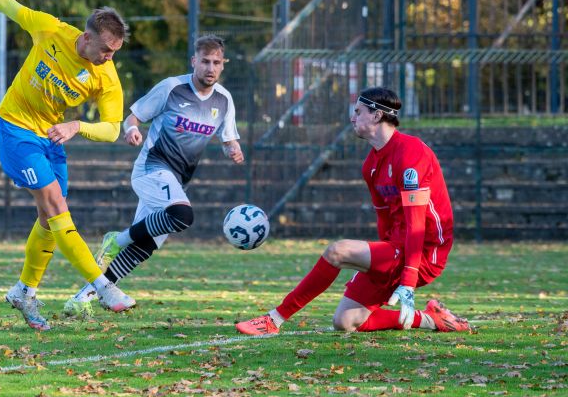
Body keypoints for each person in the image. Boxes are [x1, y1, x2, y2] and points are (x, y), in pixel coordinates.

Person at [0, 0, 136, 331]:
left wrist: (78, 126)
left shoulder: (106, 78)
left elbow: (112, 129)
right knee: (56, 206)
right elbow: (5, 1)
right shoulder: (50, 30)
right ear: (85, 38)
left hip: (51, 137)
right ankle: (102, 286)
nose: (108, 58)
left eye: (114, 52)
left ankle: (24, 291)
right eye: (104, 49)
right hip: (15, 127)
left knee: (48, 218)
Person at [236, 87, 471, 335]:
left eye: (358, 112)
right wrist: (383, 264)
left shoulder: (411, 153)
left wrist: (408, 280)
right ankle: (432, 320)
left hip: (424, 251)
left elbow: (417, 225)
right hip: (397, 247)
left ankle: (274, 319)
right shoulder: (370, 165)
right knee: (346, 322)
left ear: (377, 115)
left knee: (338, 251)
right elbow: (384, 219)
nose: (352, 117)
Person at [62, 34, 244, 317]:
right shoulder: (172, 88)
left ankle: (82, 297)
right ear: (194, 61)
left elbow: (227, 139)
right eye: (205, 61)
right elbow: (134, 116)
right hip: (151, 169)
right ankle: (116, 239)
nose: (210, 68)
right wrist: (131, 130)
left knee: (145, 245)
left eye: (216, 62)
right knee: (183, 216)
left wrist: (233, 149)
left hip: (176, 181)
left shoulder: (224, 100)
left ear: (223, 65)